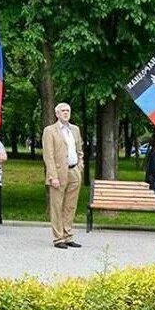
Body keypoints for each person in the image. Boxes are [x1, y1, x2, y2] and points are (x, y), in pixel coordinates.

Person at [42, 102, 84, 249]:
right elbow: (48, 155)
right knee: (57, 205)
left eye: (68, 110)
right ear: (57, 114)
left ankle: (68, 235)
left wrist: (80, 166)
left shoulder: (75, 129)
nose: (66, 113)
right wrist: (52, 176)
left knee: (70, 206)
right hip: (59, 173)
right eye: (63, 111)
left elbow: (79, 150)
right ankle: (58, 238)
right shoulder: (50, 131)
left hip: (74, 171)